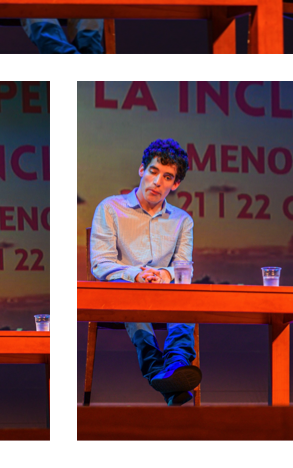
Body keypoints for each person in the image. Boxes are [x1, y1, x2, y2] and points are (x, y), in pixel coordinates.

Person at [90, 139, 201, 405]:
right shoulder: (110, 208)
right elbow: (101, 264)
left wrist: (163, 275)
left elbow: (184, 267)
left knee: (184, 295)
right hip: (124, 292)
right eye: (153, 171)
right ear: (141, 170)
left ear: (175, 185)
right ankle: (163, 372)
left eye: (167, 177)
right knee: (133, 297)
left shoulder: (182, 220)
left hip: (166, 296)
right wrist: (135, 275)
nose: (157, 182)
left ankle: (173, 366)